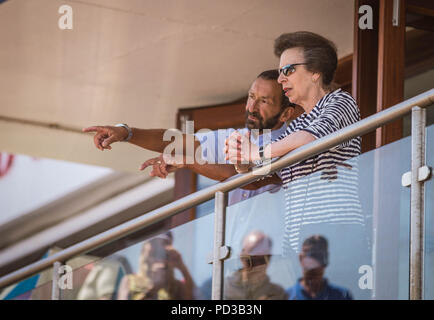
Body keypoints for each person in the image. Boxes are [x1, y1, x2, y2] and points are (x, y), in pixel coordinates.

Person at [224, 31, 366, 254]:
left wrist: (254, 152)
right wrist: (241, 158)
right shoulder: (296, 126)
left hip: (337, 230)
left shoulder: (340, 101)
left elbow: (310, 138)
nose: (281, 80)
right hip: (298, 241)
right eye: (280, 73)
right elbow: (260, 167)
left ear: (316, 72)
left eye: (288, 71)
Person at [83, 70, 297, 206]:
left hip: (276, 264)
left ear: (286, 113)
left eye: (264, 101)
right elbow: (175, 140)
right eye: (251, 97)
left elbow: (247, 179)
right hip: (232, 265)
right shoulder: (235, 137)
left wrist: (187, 160)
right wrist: (126, 133)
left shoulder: (291, 142)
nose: (252, 107)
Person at [117, 232, 194, 300]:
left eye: (163, 252)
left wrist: (181, 266)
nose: (159, 253)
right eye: (154, 252)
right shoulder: (130, 281)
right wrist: (153, 289)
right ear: (146, 253)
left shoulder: (176, 287)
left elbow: (193, 307)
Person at [224, 230, 287, 300]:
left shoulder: (277, 293)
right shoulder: (222, 287)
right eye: (252, 260)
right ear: (242, 257)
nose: (257, 267)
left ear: (269, 260)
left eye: (262, 261)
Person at [286, 235, 353, 300]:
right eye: (309, 257)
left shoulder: (342, 296)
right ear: (301, 259)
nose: (314, 266)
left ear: (326, 260)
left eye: (319, 258)